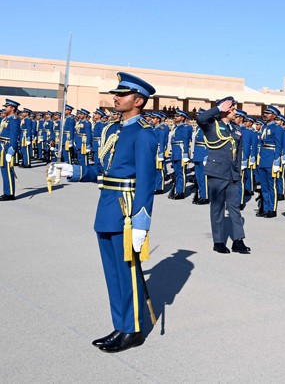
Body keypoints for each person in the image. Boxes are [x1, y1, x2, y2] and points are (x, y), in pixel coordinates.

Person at [47, 72, 158, 352]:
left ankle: (133, 330)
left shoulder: (144, 134)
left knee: (127, 273)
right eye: (116, 93)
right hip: (106, 208)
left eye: (122, 94)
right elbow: (101, 171)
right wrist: (72, 171)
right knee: (113, 274)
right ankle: (120, 325)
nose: (116, 97)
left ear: (139, 100)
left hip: (127, 210)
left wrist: (142, 224)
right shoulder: (111, 130)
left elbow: (146, 182)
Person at [196, 97, 250, 254]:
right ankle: (218, 241)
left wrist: (239, 172)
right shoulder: (212, 125)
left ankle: (238, 240)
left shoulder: (236, 128)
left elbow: (238, 153)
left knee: (234, 208)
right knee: (217, 208)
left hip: (232, 174)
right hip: (217, 172)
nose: (235, 112)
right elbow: (200, 118)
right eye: (232, 109)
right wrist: (218, 108)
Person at [256, 105, 284, 218]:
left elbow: (278, 146)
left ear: (274, 116)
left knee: (271, 186)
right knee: (264, 186)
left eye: (268, 113)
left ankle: (272, 209)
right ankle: (266, 208)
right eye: (265, 113)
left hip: (271, 160)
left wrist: (277, 161)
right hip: (263, 159)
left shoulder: (278, 128)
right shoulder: (264, 128)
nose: (265, 115)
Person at [0, 99, 21, 200]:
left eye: (6, 107)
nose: (5, 108)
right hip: (2, 146)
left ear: (12, 108)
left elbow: (14, 136)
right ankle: (6, 192)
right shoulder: (7, 119)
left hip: (7, 147)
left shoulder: (14, 120)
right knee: (4, 170)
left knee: (8, 171)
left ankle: (10, 193)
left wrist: (11, 151)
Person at [169, 110, 192, 199]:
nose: (175, 117)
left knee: (181, 173)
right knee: (177, 172)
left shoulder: (186, 127)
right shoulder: (176, 127)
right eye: (175, 116)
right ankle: (177, 190)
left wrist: (186, 154)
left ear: (182, 118)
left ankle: (180, 192)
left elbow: (186, 141)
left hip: (181, 152)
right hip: (175, 152)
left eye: (177, 116)